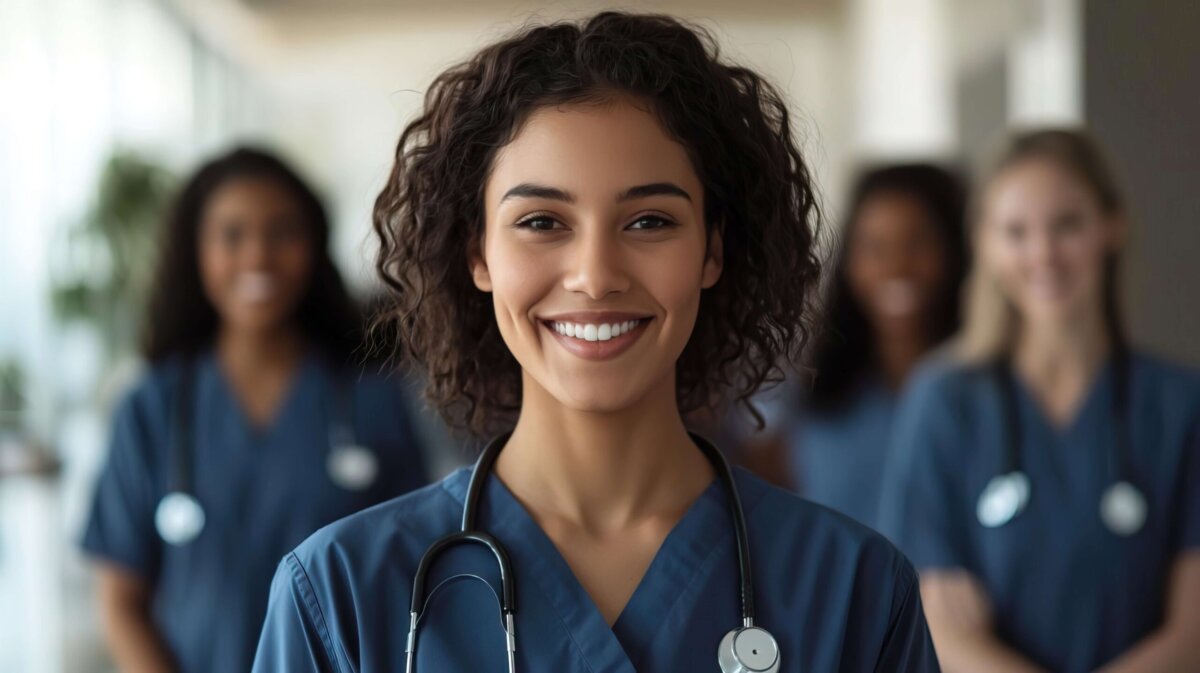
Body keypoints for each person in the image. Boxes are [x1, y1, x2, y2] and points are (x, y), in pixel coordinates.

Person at [253, 13, 938, 672]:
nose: (595, 276)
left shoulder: (856, 590)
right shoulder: (340, 593)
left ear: (713, 250)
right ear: (477, 255)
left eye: (647, 220)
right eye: (543, 221)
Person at [81, 147, 429, 673]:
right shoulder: (151, 408)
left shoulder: (372, 398)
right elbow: (120, 601)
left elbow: (412, 574)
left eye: (282, 232)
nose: (258, 256)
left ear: (313, 246)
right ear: (197, 252)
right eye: (232, 235)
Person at [879, 130, 1200, 672]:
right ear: (984, 242)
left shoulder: (1179, 405)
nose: (1043, 254)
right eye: (1015, 231)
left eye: (1067, 225)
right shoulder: (944, 401)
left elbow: (1193, 635)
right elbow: (935, 619)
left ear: (1112, 226)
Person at [737, 165, 967, 528]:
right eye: (875, 247)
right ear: (849, 260)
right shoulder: (806, 381)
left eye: (918, 243)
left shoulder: (985, 387)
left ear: (955, 251)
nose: (897, 266)